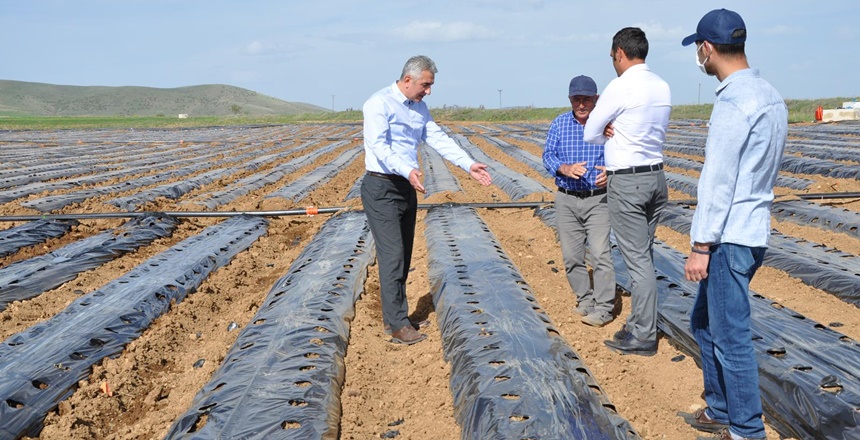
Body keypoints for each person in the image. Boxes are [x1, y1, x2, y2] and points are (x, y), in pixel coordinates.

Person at [681, 9, 787, 440]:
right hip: (753, 228)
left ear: (707, 48)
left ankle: (745, 429)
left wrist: (701, 245)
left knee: (730, 337)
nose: (700, 58)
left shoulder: (733, 102)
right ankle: (721, 407)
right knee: (704, 322)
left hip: (728, 237)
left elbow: (719, 179)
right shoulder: (770, 94)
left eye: (698, 50)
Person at [361, 55, 493, 345]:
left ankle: (395, 317)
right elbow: (379, 147)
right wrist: (407, 169)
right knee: (392, 256)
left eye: (430, 85)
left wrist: (468, 164)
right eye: (425, 85)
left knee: (405, 255)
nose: (428, 91)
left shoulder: (419, 108)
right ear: (407, 80)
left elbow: (437, 137)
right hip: (381, 187)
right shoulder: (378, 104)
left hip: (407, 186)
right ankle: (397, 324)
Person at [583, 27, 671, 356]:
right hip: (656, 179)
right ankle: (638, 324)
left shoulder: (621, 86)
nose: (612, 63)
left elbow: (591, 131)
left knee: (637, 261)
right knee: (643, 255)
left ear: (620, 53)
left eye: (612, 57)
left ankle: (644, 335)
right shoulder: (661, 85)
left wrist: (606, 129)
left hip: (628, 182)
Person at [542, 75, 614, 327]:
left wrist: (611, 171)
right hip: (567, 199)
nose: (581, 104)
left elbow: (622, 153)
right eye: (577, 99)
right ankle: (585, 299)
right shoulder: (560, 124)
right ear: (570, 99)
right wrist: (563, 167)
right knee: (572, 256)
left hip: (598, 199)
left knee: (600, 254)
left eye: (586, 99)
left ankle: (604, 307)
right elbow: (547, 154)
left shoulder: (607, 125)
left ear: (595, 99)